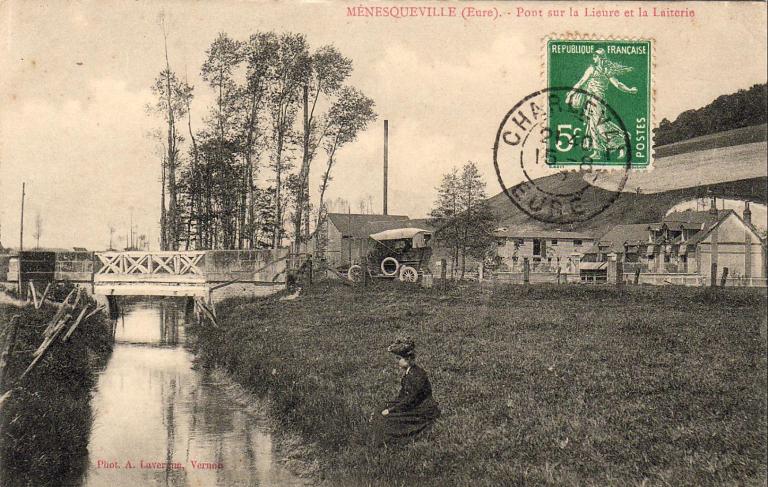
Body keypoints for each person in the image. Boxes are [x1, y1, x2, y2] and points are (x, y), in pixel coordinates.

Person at [565, 48, 638, 160]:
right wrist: (571, 94)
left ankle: (622, 142)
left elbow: (618, 84)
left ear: (601, 58)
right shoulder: (591, 69)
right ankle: (598, 151)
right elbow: (581, 82)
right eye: (593, 56)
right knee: (592, 125)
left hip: (598, 100)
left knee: (600, 125)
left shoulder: (606, 71)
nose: (593, 58)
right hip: (589, 100)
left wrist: (629, 90)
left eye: (595, 56)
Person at [372, 336, 440, 445]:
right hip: (412, 405)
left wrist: (391, 410)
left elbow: (411, 399)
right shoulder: (409, 373)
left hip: (422, 410)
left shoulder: (417, 375)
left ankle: (387, 443)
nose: (397, 361)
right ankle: (376, 437)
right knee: (381, 408)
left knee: (387, 419)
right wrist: (389, 405)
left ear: (408, 359)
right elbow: (402, 395)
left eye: (399, 359)